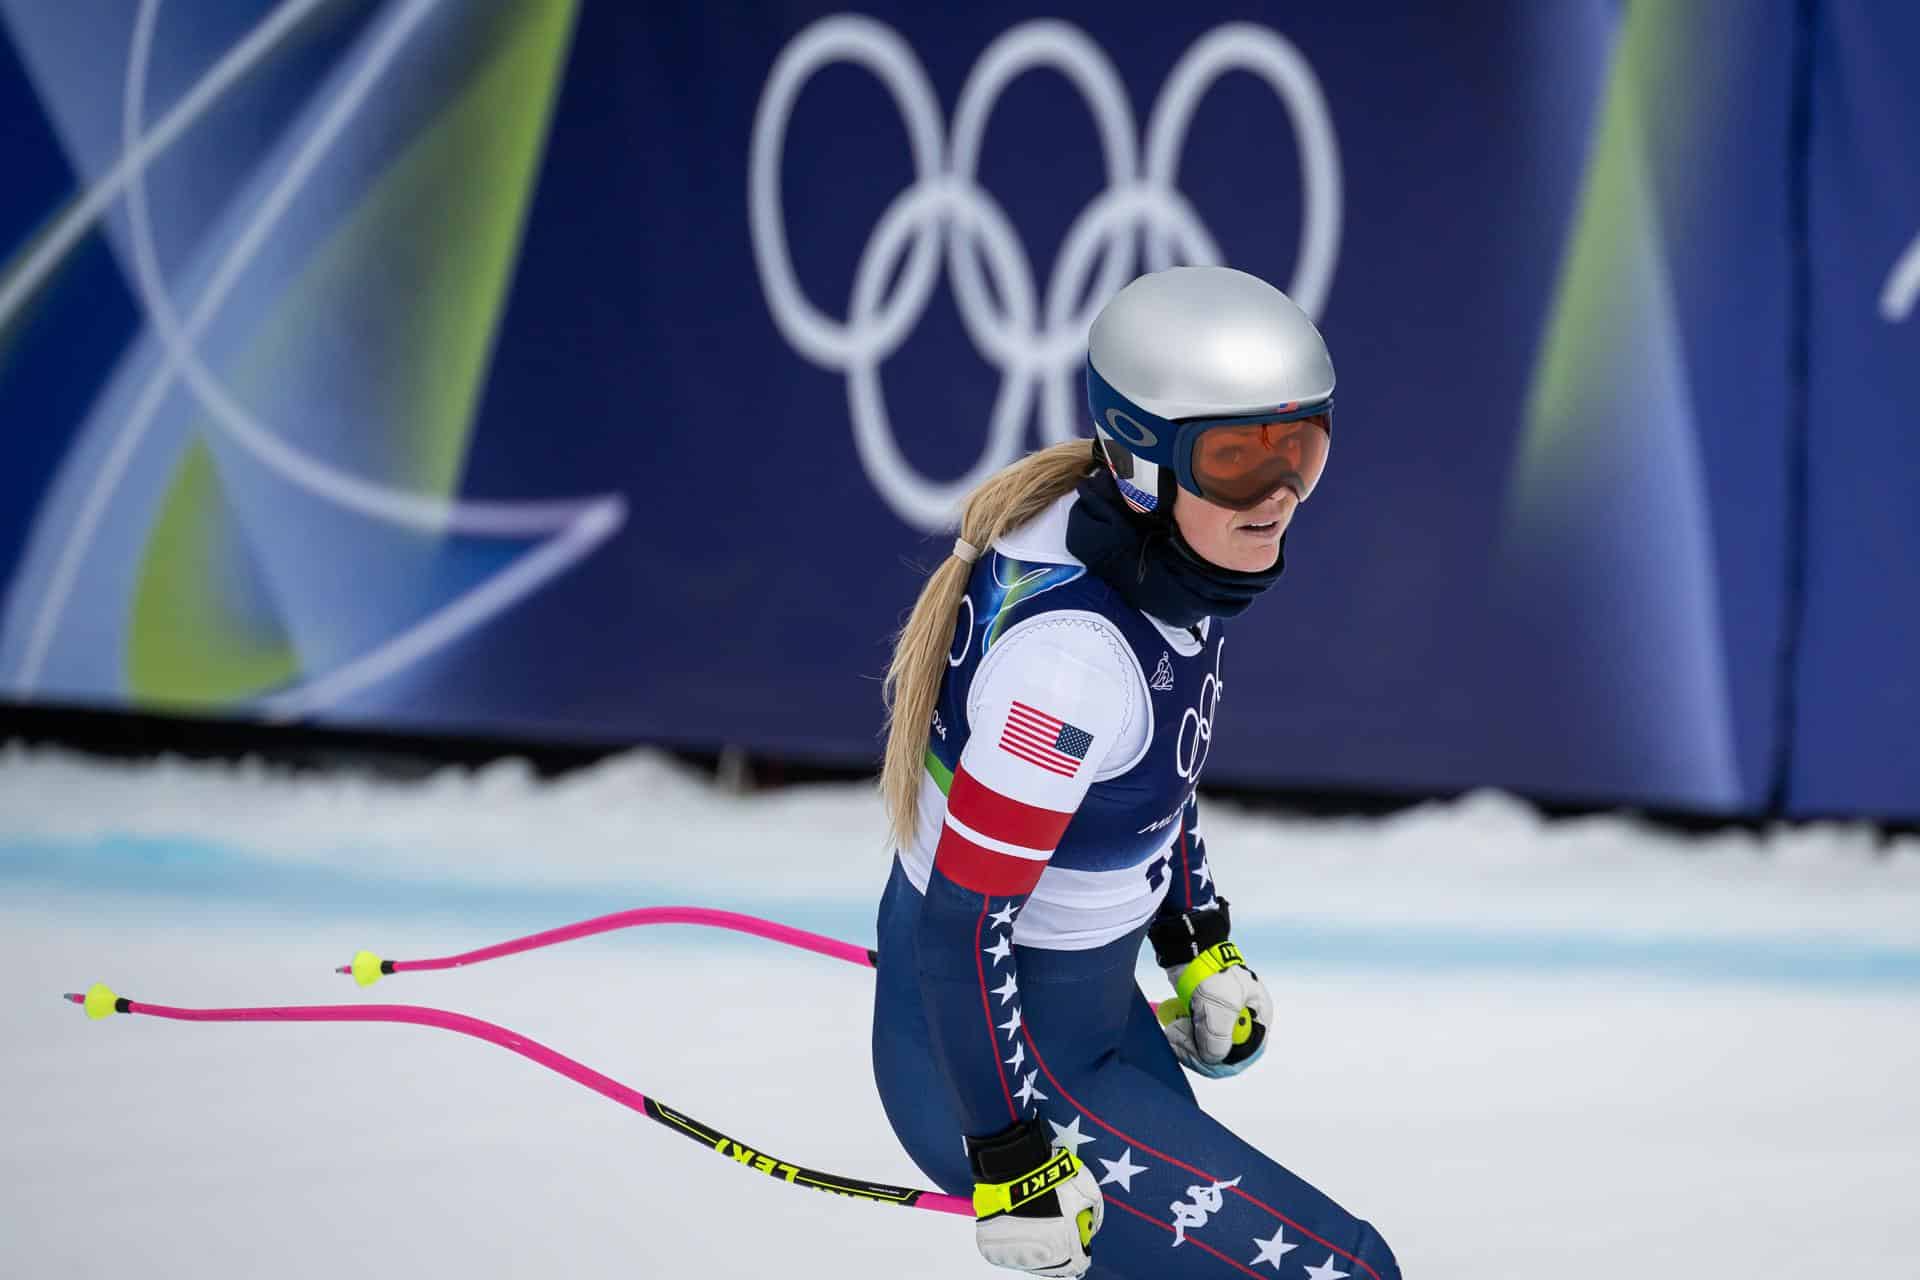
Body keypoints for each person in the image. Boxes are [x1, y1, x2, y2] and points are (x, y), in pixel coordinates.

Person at [869, 266, 1400, 1279]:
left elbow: (1164, 761)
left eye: (1302, 451)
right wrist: (1007, 1152)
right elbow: (960, 923)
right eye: (1239, 458)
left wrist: (1194, 938)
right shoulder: (1068, 667)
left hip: (1080, 1014)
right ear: (1141, 458)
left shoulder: (1156, 550)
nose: (1278, 496)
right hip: (995, 1060)